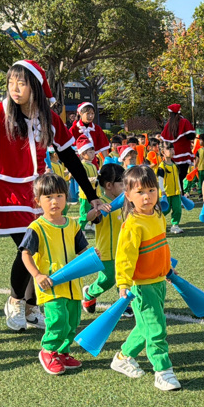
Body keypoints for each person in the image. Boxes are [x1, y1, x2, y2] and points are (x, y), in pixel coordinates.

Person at [0, 59, 100, 333]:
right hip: (8, 192)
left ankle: (31, 308)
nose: (14, 89)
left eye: (21, 83)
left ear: (35, 87)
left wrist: (92, 195)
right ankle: (15, 302)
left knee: (41, 251)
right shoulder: (0, 112)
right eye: (10, 83)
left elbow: (68, 155)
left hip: (38, 194)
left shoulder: (47, 117)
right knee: (28, 248)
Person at [109, 165, 179, 391]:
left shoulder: (158, 216)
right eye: (140, 192)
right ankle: (163, 371)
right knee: (156, 328)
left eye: (151, 190)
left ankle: (122, 358)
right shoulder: (132, 225)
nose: (147, 196)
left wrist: (168, 268)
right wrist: (123, 283)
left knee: (144, 326)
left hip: (158, 282)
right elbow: (124, 258)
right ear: (128, 196)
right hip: (142, 287)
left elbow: (161, 246)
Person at [19, 173, 91, 375]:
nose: (55, 201)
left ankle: (63, 352)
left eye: (59, 196)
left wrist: (92, 256)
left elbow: (82, 250)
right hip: (51, 285)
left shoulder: (72, 225)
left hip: (74, 285)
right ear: (37, 201)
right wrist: (37, 275)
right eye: (48, 197)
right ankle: (48, 351)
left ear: (66, 197)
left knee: (72, 321)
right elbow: (25, 254)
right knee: (58, 319)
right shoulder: (37, 227)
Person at [81, 164, 127, 316]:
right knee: (107, 280)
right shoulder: (100, 202)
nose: (125, 187)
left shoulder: (124, 201)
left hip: (124, 249)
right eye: (122, 184)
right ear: (109, 185)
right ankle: (90, 293)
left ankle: (124, 302)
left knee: (125, 276)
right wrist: (97, 210)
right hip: (106, 251)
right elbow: (88, 217)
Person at [159, 104, 195, 181]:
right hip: (184, 154)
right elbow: (191, 135)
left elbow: (163, 139)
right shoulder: (184, 122)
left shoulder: (168, 124)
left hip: (172, 154)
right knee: (182, 177)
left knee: (174, 177)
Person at [156, 142, 184, 234]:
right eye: (169, 149)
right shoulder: (162, 166)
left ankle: (175, 226)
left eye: (173, 149)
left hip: (176, 192)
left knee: (177, 209)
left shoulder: (174, 165)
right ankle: (156, 223)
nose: (172, 151)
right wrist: (162, 191)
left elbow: (177, 178)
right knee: (165, 210)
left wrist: (180, 189)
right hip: (166, 193)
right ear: (163, 152)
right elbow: (160, 180)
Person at [74, 137, 99, 231]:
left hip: (94, 193)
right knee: (84, 213)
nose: (93, 154)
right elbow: (81, 179)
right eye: (90, 152)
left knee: (94, 210)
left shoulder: (93, 165)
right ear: (83, 154)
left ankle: (91, 224)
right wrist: (93, 179)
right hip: (85, 195)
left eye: (93, 152)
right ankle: (79, 229)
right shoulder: (81, 165)